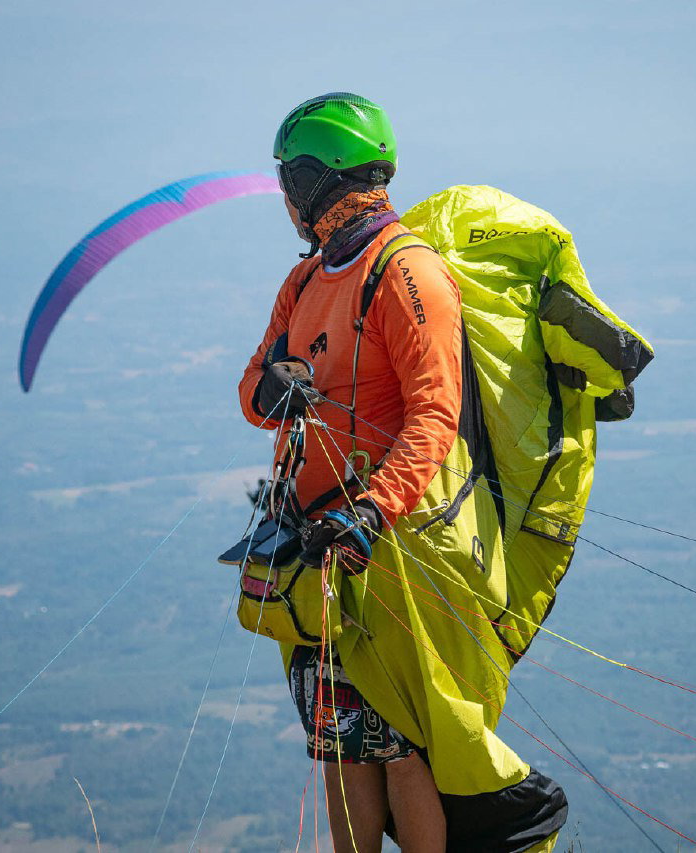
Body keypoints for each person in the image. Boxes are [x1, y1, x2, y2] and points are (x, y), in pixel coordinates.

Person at [238, 92, 462, 852]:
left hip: (384, 548)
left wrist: (370, 514)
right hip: (313, 552)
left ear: (317, 180)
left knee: (397, 747)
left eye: (289, 181)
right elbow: (252, 396)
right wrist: (275, 385)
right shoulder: (303, 283)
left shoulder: (406, 274)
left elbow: (436, 416)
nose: (285, 198)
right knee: (338, 748)